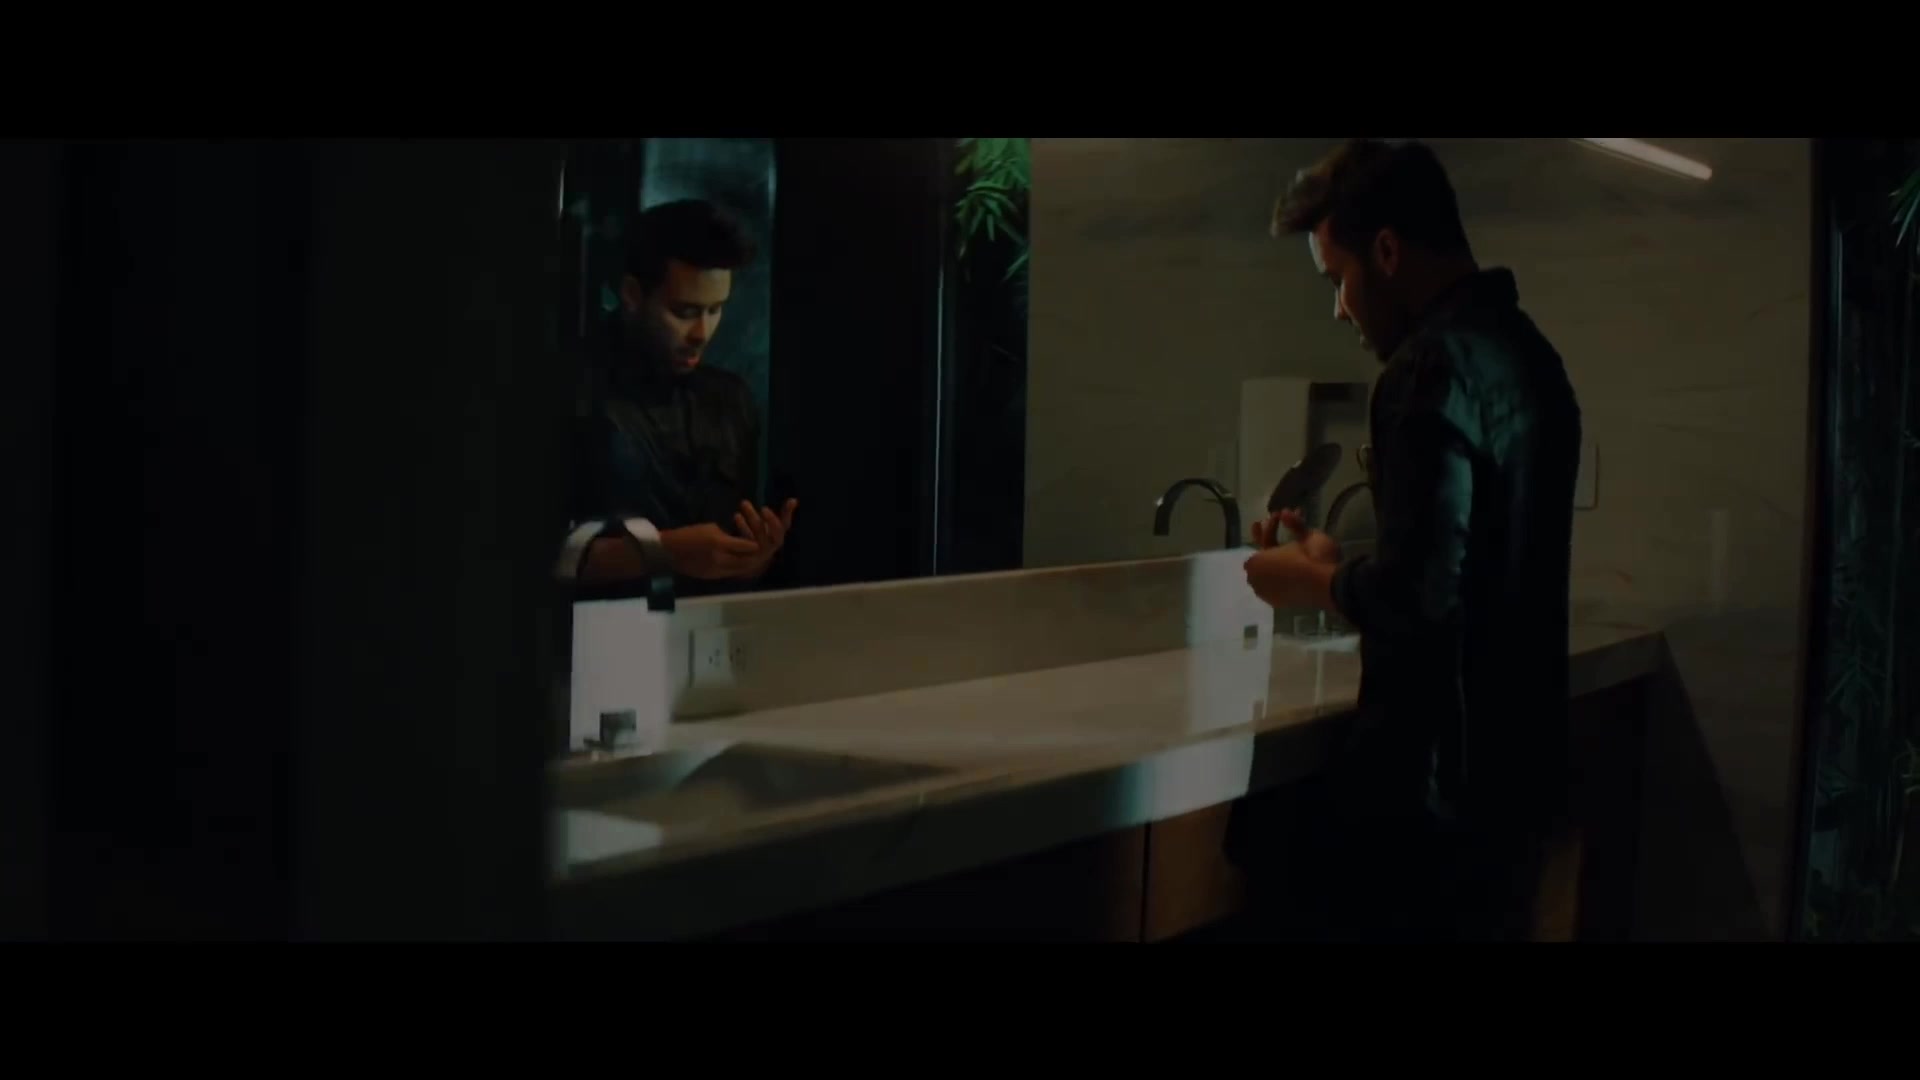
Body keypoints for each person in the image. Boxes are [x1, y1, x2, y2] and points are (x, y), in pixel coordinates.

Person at [1235, 139, 1584, 941]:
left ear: (1387, 252)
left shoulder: (1426, 370)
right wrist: (1338, 564)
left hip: (1430, 808)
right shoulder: (1533, 356)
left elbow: (1419, 599)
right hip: (1518, 780)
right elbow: (1467, 566)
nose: (1339, 308)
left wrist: (1313, 584)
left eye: (1338, 279)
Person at [567, 198, 798, 595]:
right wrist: (665, 552)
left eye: (715, 310)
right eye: (685, 311)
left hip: (707, 626)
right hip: (597, 629)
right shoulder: (571, 392)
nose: (702, 333)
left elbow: (734, 564)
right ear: (632, 294)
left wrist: (754, 556)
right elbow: (532, 556)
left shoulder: (730, 402)